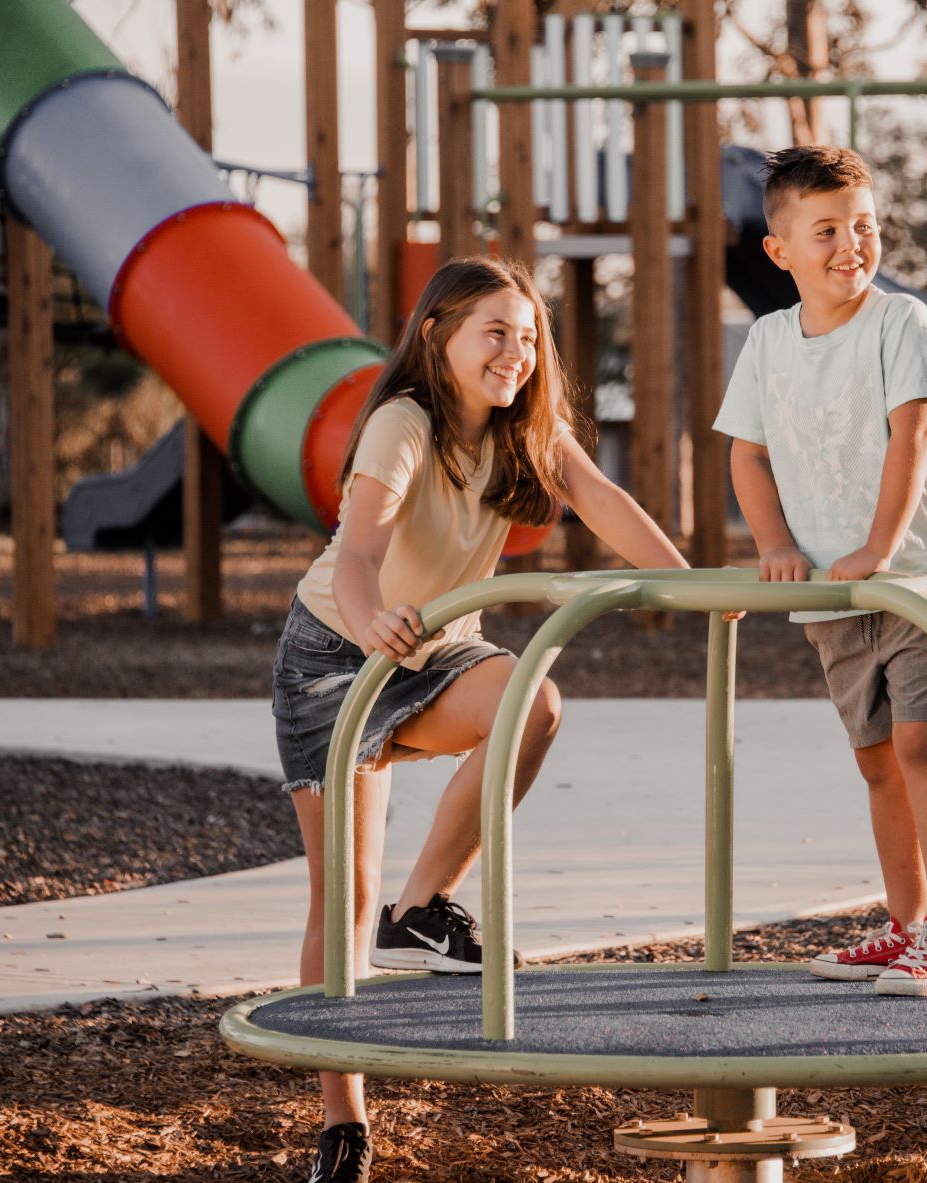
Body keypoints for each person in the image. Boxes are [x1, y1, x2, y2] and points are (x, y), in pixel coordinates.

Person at [271, 256, 686, 1183]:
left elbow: (602, 497)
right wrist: (374, 613)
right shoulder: (401, 422)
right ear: (438, 335)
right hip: (339, 655)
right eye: (495, 332)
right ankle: (343, 1123)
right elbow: (360, 547)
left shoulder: (523, 432)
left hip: (437, 648)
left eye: (530, 335)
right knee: (338, 900)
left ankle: (419, 909)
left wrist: (692, 582)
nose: (517, 352)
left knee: (532, 701)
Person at [714, 145, 927, 999]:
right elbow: (747, 457)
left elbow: (910, 436)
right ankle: (905, 927)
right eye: (826, 229)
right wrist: (775, 545)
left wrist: (878, 547)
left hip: (917, 579)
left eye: (863, 226)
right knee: (874, 758)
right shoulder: (765, 342)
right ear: (779, 249)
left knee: (920, 739)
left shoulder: (899, 323)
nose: (850, 245)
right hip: (831, 591)